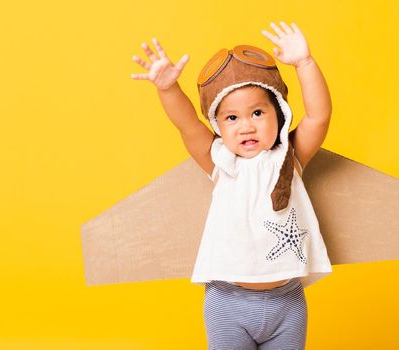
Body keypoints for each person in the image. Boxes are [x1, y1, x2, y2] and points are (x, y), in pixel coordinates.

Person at [131, 21, 332, 350]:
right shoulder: (221, 162)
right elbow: (187, 125)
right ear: (218, 125)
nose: (246, 127)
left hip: (287, 304)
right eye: (232, 118)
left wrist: (304, 64)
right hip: (228, 303)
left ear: (278, 114)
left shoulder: (289, 158)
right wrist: (168, 89)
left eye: (257, 112)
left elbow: (318, 117)